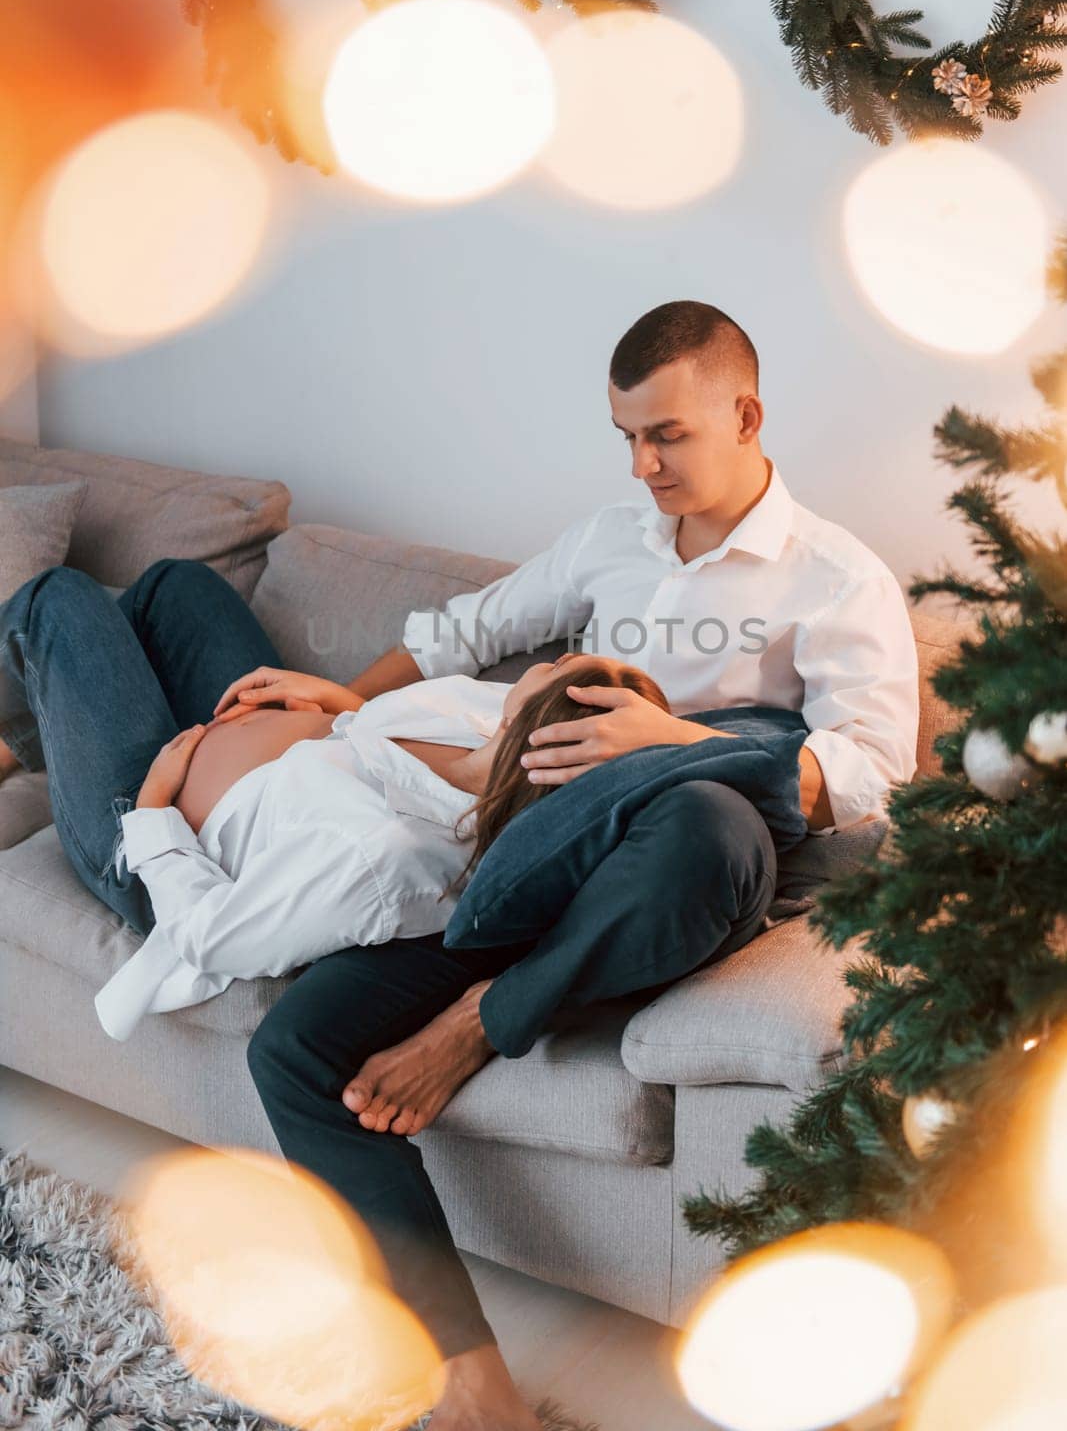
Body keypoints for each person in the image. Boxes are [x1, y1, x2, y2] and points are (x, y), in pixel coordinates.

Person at [221, 301, 921, 1430]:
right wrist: (351, 697)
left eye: (667, 435)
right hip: (535, 864)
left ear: (744, 415)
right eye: (626, 437)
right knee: (294, 1044)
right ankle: (469, 1383)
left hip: (687, 878)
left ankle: (481, 1020)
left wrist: (676, 745)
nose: (643, 464)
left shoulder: (834, 577)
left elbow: (873, 774)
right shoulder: (609, 540)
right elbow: (466, 628)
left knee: (702, 810)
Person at [0, 555, 681, 1045]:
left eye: (583, 675)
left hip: (149, 836)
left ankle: (49, 731)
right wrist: (343, 705)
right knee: (176, 587)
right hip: (238, 745)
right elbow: (376, 751)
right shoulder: (487, 715)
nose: (581, 655)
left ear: (544, 742)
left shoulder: (388, 858)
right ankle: (47, 726)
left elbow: (211, 937)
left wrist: (153, 811)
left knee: (55, 600)